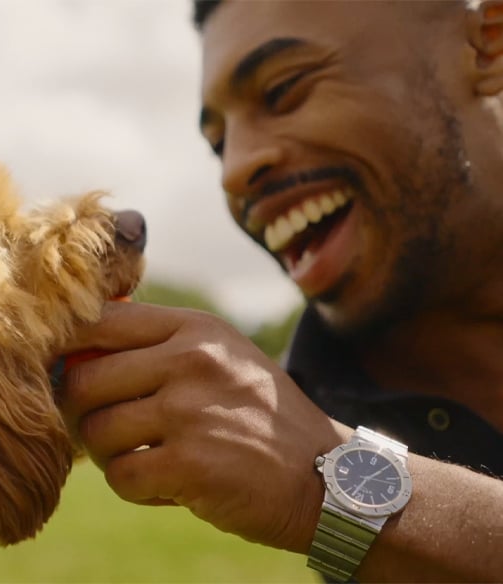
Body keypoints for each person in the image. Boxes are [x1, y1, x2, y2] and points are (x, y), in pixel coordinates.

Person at [55, 1, 503, 581]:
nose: (234, 170)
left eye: (284, 89)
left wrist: (334, 482)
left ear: (487, 44)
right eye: (219, 144)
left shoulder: (311, 446)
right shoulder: (317, 401)